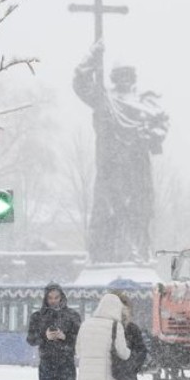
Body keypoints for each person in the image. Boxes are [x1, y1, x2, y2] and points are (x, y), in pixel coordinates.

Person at [73, 39, 170, 264]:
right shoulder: (106, 99)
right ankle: (104, 256)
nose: (125, 78)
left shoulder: (145, 102)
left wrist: (150, 134)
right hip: (111, 169)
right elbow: (81, 85)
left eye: (128, 73)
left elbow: (160, 126)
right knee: (107, 213)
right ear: (114, 77)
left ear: (133, 76)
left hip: (137, 169)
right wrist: (91, 58)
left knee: (139, 213)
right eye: (121, 74)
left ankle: (138, 254)